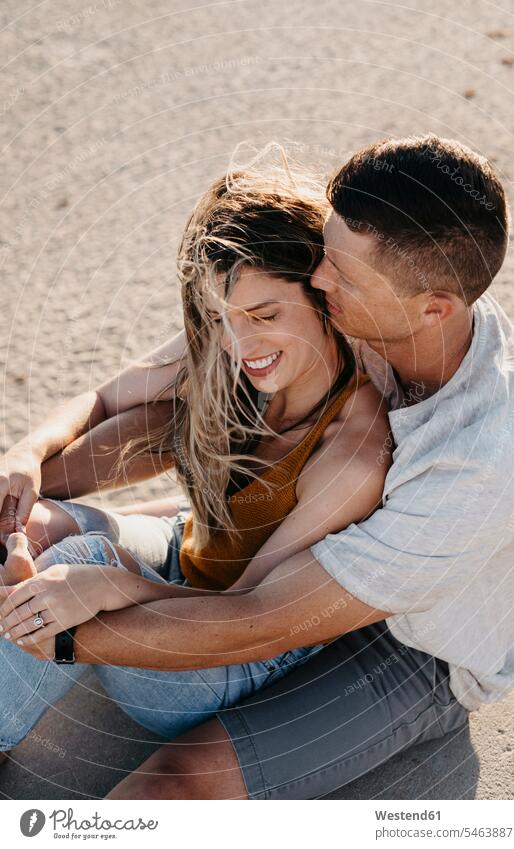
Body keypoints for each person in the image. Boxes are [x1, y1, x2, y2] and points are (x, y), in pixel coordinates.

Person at [3, 133, 514, 801]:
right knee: (44, 530)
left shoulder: (470, 467)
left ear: (432, 309)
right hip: (280, 562)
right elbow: (167, 406)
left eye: (339, 273)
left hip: (420, 645)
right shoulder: (356, 315)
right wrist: (29, 471)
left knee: (170, 786)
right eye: (323, 256)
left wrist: (83, 620)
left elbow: (260, 616)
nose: (318, 275)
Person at [0, 161, 390, 778]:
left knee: (87, 564)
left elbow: (247, 613)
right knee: (28, 518)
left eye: (265, 315)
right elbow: (100, 401)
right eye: (221, 317)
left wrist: (118, 584)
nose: (242, 344)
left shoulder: (352, 452)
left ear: (325, 299)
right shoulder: (228, 338)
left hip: (224, 663)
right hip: (187, 554)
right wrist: (23, 453)